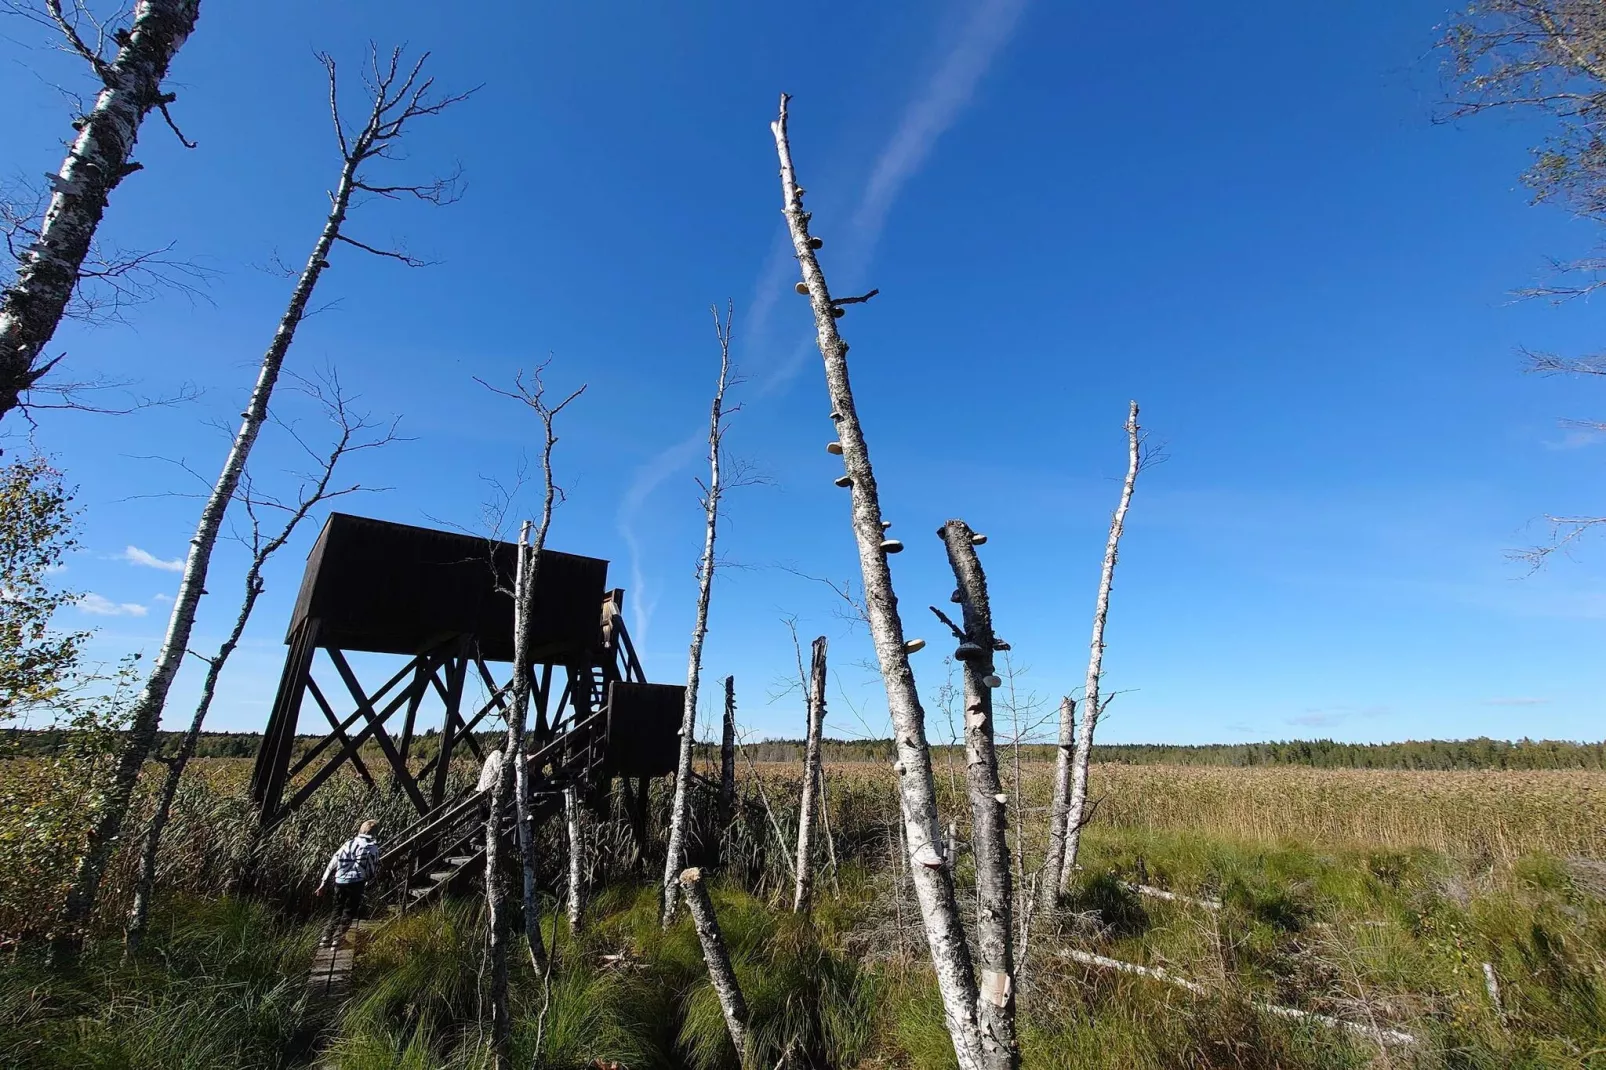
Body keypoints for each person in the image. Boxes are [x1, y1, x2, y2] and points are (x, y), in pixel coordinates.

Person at [316, 818, 381, 947]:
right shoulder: (372, 847)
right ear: (375, 833)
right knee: (349, 911)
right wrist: (369, 879)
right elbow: (372, 867)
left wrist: (323, 882)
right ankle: (337, 939)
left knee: (337, 909)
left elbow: (333, 862)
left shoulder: (348, 843)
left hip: (339, 881)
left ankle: (326, 937)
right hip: (356, 882)